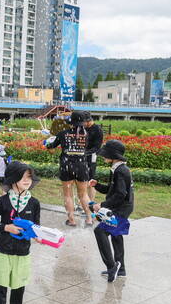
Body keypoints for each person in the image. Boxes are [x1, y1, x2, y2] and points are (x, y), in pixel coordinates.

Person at [0, 161, 41, 304]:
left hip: (23, 251)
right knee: (0, 286)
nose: (27, 181)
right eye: (23, 177)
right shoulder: (3, 201)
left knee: (19, 285)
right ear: (13, 179)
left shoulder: (34, 203)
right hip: (3, 249)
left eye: (29, 177)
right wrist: (6, 227)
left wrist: (38, 236)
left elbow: (37, 226)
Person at [89, 140, 134, 283]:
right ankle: (121, 270)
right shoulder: (117, 168)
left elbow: (120, 194)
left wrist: (102, 205)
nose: (103, 156)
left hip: (121, 209)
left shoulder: (121, 171)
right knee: (116, 234)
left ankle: (112, 266)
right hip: (122, 208)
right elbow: (113, 189)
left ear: (113, 155)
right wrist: (98, 186)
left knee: (100, 231)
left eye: (105, 154)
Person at [45, 111, 93, 227]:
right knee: (84, 194)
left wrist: (48, 144)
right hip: (82, 166)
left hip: (66, 165)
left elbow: (51, 148)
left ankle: (71, 220)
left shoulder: (63, 134)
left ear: (71, 122)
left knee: (68, 195)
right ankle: (89, 219)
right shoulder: (87, 134)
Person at [83, 111, 103, 201]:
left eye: (83, 122)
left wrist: (86, 153)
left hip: (92, 156)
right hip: (82, 156)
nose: (82, 124)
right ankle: (83, 202)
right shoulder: (84, 128)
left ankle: (90, 203)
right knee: (82, 180)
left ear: (88, 121)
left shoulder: (97, 130)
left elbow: (97, 147)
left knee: (90, 180)